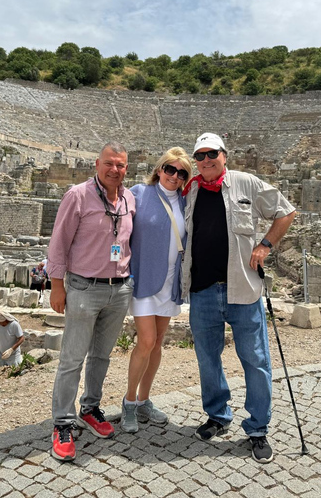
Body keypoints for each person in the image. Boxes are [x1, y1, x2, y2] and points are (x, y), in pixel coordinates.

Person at [183, 132, 296, 463]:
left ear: (224, 155)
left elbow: (285, 212)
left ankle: (258, 429)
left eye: (211, 154)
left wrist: (266, 245)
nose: (206, 160)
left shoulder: (247, 183)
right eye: (200, 156)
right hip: (203, 290)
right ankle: (218, 415)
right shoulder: (189, 190)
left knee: (256, 360)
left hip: (243, 288)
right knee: (208, 359)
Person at [46, 142, 135, 462]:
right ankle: (62, 422)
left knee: (101, 356)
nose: (115, 170)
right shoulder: (78, 195)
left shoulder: (129, 198)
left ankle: (90, 408)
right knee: (72, 358)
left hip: (120, 289)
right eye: (110, 164)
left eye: (121, 165)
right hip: (84, 288)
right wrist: (57, 286)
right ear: (97, 164)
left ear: (127, 168)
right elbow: (59, 243)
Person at [121, 147, 191, 434]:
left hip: (170, 282)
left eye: (182, 172)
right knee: (146, 341)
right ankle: (128, 401)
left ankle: (144, 400)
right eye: (170, 169)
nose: (174, 176)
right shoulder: (139, 192)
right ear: (159, 169)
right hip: (144, 279)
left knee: (158, 342)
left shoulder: (187, 202)